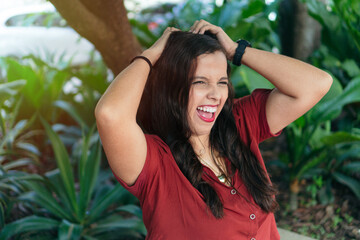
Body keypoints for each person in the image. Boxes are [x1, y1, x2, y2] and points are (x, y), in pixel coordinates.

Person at [95, 20, 332, 239]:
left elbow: (316, 84)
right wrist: (151, 55)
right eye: (200, 82)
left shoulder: (238, 123)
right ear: (171, 89)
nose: (215, 95)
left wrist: (236, 51)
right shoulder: (153, 162)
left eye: (221, 82)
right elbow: (110, 114)